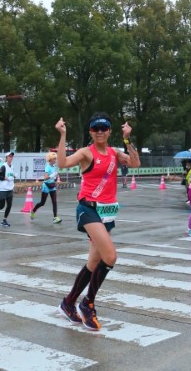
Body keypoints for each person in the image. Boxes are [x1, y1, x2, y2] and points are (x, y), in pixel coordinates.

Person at [56, 112, 140, 330]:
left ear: (110, 131)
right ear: (91, 132)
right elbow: (63, 163)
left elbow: (135, 163)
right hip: (88, 210)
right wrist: (63, 134)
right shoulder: (86, 152)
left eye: (104, 128)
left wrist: (128, 139)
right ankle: (87, 304)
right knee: (110, 256)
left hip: (108, 213)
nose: (100, 132)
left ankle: (68, 302)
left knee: (93, 263)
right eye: (96, 129)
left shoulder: (114, 152)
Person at [30, 151, 61, 223]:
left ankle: (55, 217)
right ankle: (33, 210)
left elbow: (54, 177)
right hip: (46, 186)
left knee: (54, 202)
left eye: (55, 159)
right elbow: (45, 177)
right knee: (42, 203)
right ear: (50, 160)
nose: (55, 160)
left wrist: (55, 177)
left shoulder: (54, 167)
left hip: (52, 185)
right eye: (54, 159)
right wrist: (52, 175)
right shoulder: (48, 167)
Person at [0, 152, 17, 227]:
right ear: (6, 158)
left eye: (12, 156)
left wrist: (14, 175)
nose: (11, 158)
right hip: (3, 189)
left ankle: (4, 220)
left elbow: (12, 175)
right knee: (1, 205)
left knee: (9, 205)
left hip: (10, 188)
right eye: (9, 156)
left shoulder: (12, 166)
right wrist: (5, 178)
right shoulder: (3, 166)